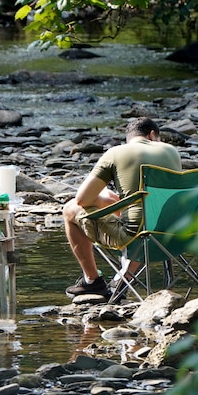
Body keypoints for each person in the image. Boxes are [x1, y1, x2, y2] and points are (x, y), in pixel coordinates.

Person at [62, 117, 182, 298]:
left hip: (140, 236)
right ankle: (124, 277)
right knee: (130, 208)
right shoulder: (171, 151)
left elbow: (82, 200)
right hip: (176, 232)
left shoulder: (116, 152)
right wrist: (107, 200)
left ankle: (92, 281)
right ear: (152, 135)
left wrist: (99, 199)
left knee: (69, 209)